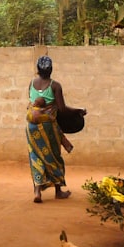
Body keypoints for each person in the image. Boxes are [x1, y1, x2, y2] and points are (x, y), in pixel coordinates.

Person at [26, 55, 86, 203]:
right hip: (47, 127)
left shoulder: (31, 83)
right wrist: (78, 111)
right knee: (54, 156)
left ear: (37, 70)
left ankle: (37, 191)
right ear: (51, 69)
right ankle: (58, 191)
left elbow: (32, 102)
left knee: (35, 156)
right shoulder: (55, 85)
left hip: (31, 126)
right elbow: (62, 109)